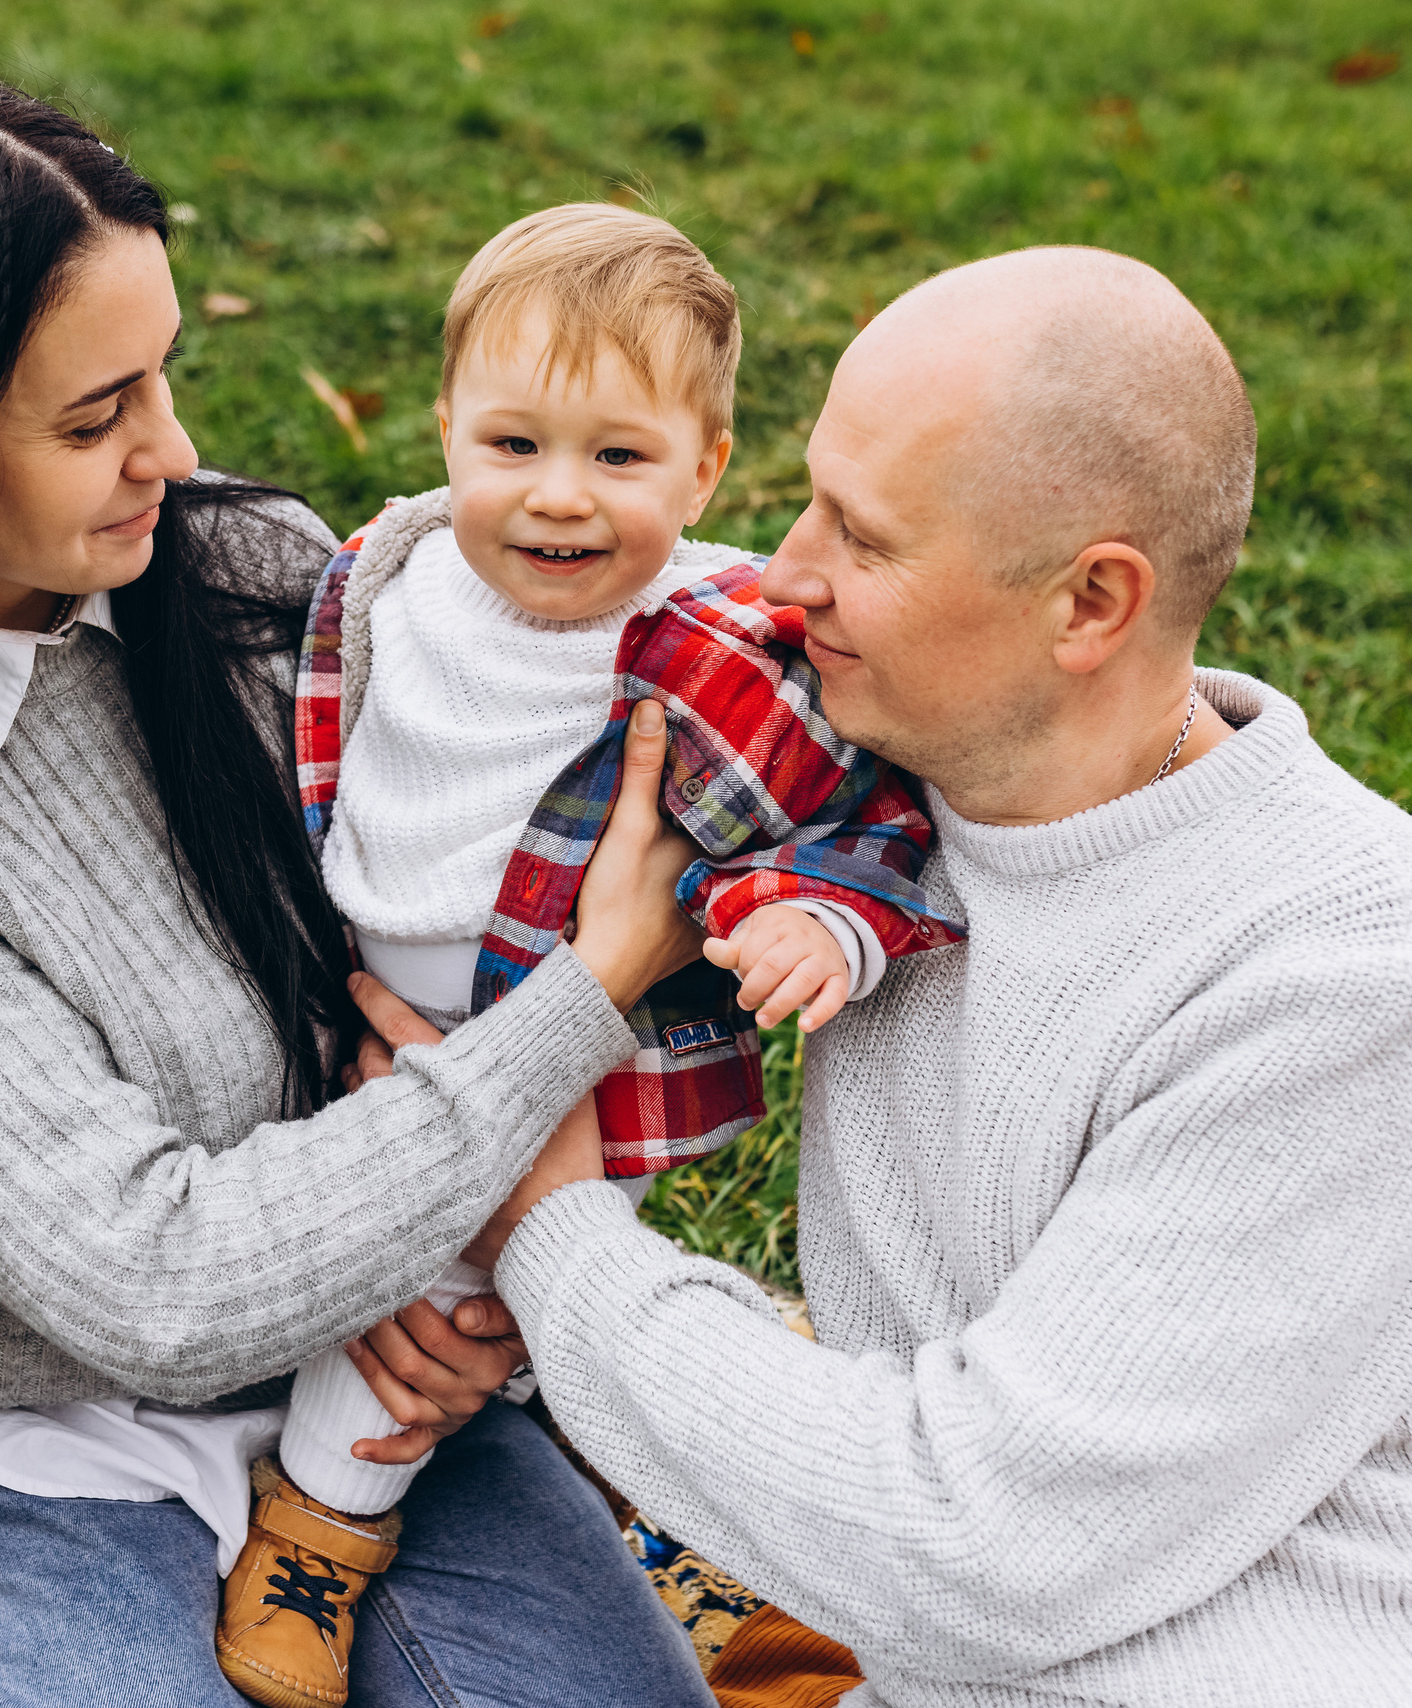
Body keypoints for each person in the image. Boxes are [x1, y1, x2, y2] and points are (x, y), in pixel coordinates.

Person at [0, 65, 715, 1708]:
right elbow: (162, 1285)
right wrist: (589, 991)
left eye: (163, 373)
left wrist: (459, 1283)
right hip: (21, 1437)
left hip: (372, 1368)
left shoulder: (256, 575)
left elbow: (533, 732)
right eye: (93, 418)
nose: (176, 450)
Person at [457, 247, 1412, 1705]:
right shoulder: (869, 807)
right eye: (810, 497)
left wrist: (551, 1235)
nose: (785, 574)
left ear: (1089, 605)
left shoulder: (1341, 969)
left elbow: (985, 1550)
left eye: (863, 538)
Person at [222, 203, 960, 1708]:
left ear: (707, 468)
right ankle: (540, 1418)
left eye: (620, 457)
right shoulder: (383, 577)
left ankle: (321, 1525)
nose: (559, 497)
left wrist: (816, 918)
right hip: (364, 1006)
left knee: (459, 1285)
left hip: (578, 1058)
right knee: (376, 1256)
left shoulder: (725, 648)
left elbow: (873, 818)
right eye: (514, 445)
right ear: (445, 430)